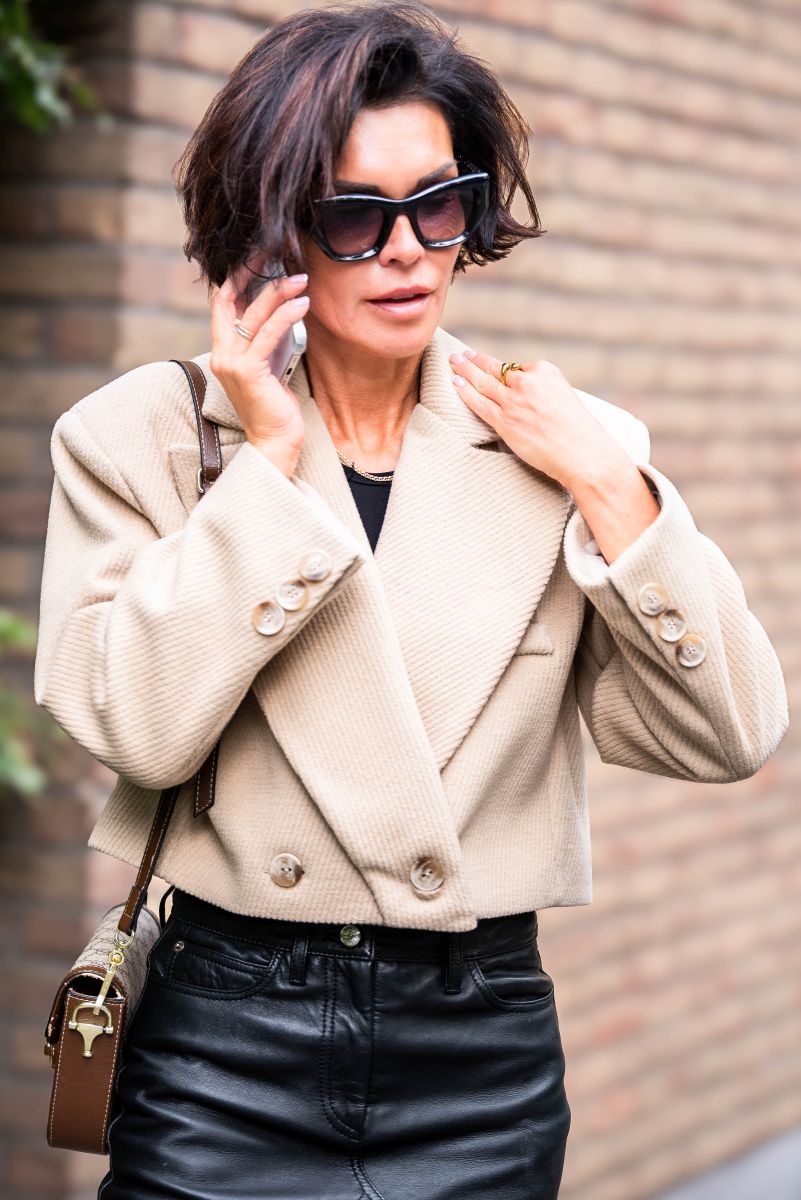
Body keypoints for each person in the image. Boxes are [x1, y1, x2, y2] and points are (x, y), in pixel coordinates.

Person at [34, 4, 788, 1198]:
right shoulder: (146, 440)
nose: (408, 251)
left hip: (476, 1049)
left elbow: (732, 733)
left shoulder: (559, 446)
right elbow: (136, 728)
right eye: (355, 214)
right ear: (273, 230)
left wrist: (611, 486)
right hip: (224, 1042)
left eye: (441, 204)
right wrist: (269, 469)